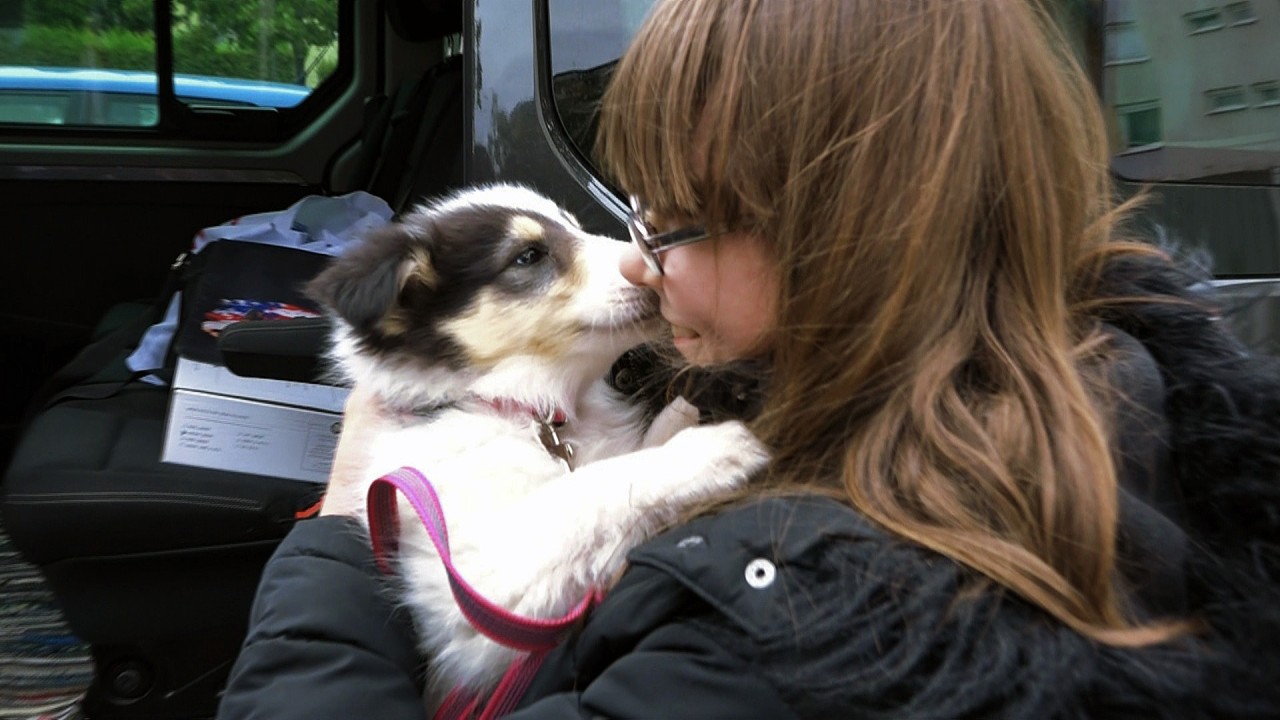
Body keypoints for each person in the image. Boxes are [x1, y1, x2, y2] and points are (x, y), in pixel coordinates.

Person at [217, 0, 1280, 717]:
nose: (641, 265)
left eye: (671, 225)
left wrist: (340, 529)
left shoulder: (791, 635)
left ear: (840, 231)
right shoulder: (1115, 405)